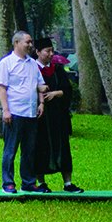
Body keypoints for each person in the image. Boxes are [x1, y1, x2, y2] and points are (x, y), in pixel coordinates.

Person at [0, 30, 46, 193]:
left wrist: (41, 102)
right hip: (14, 113)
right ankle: (8, 183)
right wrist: (6, 110)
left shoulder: (33, 64)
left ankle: (28, 183)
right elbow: (2, 88)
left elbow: (40, 85)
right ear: (17, 43)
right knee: (10, 150)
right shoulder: (6, 63)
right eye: (28, 42)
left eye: (31, 42)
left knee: (29, 150)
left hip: (31, 113)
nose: (31, 45)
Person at [31, 38, 82, 193]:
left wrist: (56, 93)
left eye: (52, 50)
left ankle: (68, 184)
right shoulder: (32, 69)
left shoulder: (58, 69)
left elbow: (67, 90)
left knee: (63, 148)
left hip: (58, 116)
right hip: (40, 117)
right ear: (38, 52)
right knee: (39, 148)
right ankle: (41, 183)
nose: (51, 54)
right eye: (48, 51)